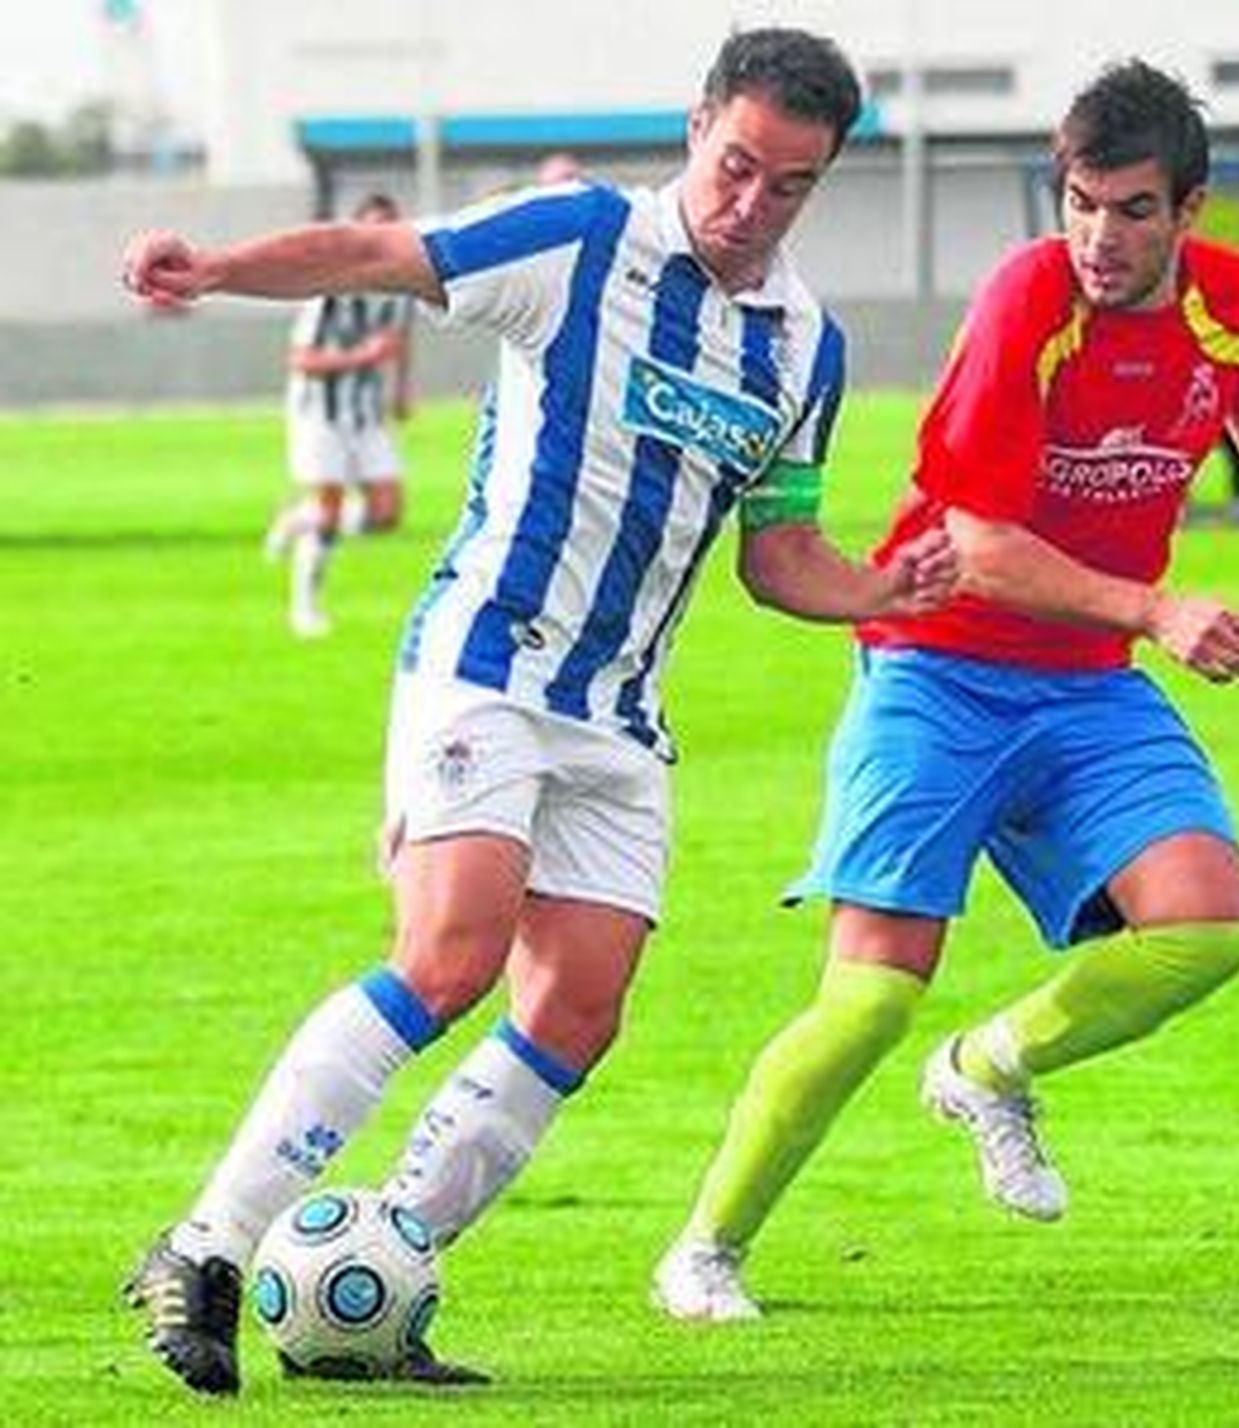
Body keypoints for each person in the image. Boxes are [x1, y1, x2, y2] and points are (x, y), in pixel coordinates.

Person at [120, 27, 956, 1396]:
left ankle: (379, 1282)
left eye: (790, 185)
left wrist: (884, 589)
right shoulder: (577, 242)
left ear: (824, 180)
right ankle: (205, 1248)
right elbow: (377, 258)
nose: (751, 205)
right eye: (737, 166)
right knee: (451, 955)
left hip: (621, 720)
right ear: (698, 128)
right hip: (490, 663)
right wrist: (218, 271)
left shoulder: (807, 348)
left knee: (578, 1008)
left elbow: (777, 554)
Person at [652, 58, 1239, 1324]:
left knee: (1207, 925)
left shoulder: (1234, 300)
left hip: (1085, 687)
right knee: (872, 994)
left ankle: (989, 1066)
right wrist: (1163, 609)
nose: (1099, 238)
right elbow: (979, 539)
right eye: (1080, 203)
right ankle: (705, 1250)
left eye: (1132, 210)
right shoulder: (1026, 300)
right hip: (935, 668)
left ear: (1189, 211)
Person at [262, 191, 416, 638]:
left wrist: (401, 389)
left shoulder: (402, 286)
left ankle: (300, 517)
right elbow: (300, 360)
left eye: (390, 226)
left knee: (388, 513)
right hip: (319, 412)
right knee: (329, 515)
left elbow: (399, 342)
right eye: (373, 227)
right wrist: (362, 357)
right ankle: (304, 607)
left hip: (366, 412)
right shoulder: (329, 293)